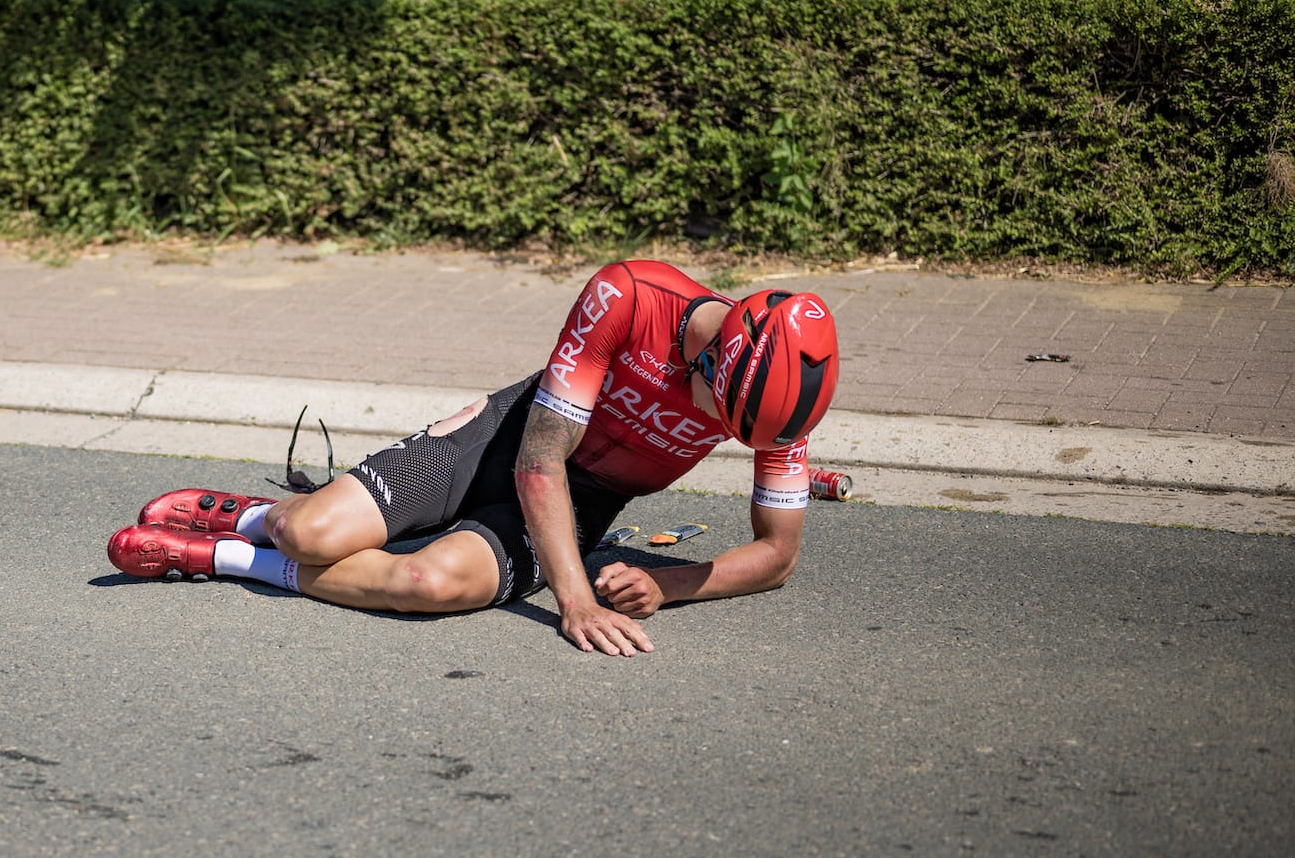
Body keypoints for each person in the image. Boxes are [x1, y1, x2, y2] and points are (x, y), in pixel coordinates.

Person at [106, 260, 839, 657]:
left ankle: (222, 558)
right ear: (715, 361)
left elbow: (779, 554)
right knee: (309, 535)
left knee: (424, 582)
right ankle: (258, 517)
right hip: (507, 441)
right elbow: (539, 461)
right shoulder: (629, 296)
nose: (734, 441)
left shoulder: (778, 403)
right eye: (727, 422)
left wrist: (670, 584)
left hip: (589, 500)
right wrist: (574, 599)